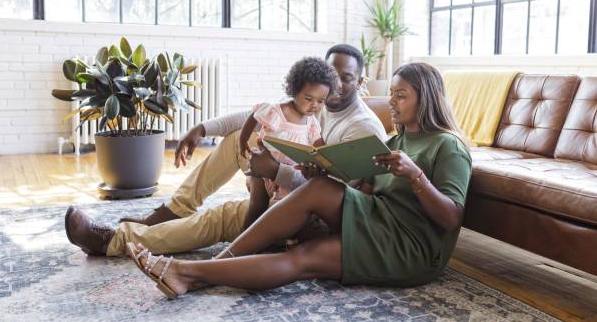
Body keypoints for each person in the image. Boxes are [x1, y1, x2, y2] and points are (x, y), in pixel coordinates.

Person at [125, 62, 472, 298]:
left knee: (303, 259)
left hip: (410, 248)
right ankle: (207, 268)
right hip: (378, 223)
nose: (391, 102)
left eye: (401, 95)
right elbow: (369, 191)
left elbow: (451, 217)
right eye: (392, 93)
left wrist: (416, 176)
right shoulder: (397, 141)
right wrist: (333, 174)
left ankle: (190, 273)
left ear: (424, 97)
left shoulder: (448, 146)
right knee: (320, 186)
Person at [64, 44, 387, 257]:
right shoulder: (320, 102)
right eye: (335, 76)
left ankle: (113, 241)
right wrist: (203, 129)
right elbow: (260, 114)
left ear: (361, 81)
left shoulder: (362, 128)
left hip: (307, 216)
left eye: (348, 78)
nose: (339, 85)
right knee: (237, 137)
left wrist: (272, 172)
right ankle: (174, 210)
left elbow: (338, 196)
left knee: (219, 217)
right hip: (282, 188)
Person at [239, 57, 336, 229]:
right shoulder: (278, 112)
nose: (315, 105)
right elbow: (253, 117)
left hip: (285, 175)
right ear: (295, 90)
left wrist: (327, 157)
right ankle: (241, 241)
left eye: (321, 101)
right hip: (262, 172)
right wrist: (242, 140)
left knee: (285, 210)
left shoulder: (311, 121)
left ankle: (277, 241)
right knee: (258, 204)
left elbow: (318, 143)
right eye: (308, 98)